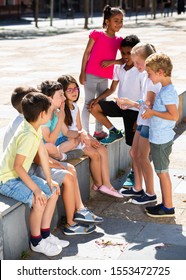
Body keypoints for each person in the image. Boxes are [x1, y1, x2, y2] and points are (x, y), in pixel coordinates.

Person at [2, 86, 102, 236]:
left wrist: (52, 175)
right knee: (60, 181)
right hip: (18, 174)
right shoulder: (25, 129)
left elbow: (41, 151)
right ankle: (63, 227)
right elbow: (26, 162)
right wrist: (39, 186)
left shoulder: (32, 124)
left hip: (27, 167)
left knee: (63, 176)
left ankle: (75, 214)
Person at [0, 93, 66, 257]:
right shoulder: (27, 135)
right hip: (8, 180)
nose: (51, 114)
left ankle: (45, 234)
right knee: (40, 199)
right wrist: (37, 190)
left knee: (54, 191)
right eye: (49, 111)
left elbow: (43, 154)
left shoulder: (33, 127)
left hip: (18, 175)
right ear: (42, 114)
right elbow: (18, 166)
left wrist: (50, 181)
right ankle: (36, 242)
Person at [89, 34, 142, 189]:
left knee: (134, 147)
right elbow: (113, 89)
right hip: (121, 107)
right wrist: (98, 98)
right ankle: (114, 132)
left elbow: (146, 97)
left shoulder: (141, 71)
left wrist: (139, 120)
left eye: (128, 53)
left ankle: (133, 173)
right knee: (93, 108)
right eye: (123, 53)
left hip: (135, 112)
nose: (125, 56)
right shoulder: (119, 68)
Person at [57, 74, 123, 198]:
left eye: (75, 88)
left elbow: (80, 128)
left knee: (101, 148)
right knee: (94, 154)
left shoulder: (75, 107)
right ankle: (98, 184)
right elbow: (67, 132)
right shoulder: (61, 110)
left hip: (78, 137)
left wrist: (90, 138)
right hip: (70, 141)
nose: (74, 92)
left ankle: (107, 184)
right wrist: (82, 136)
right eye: (69, 90)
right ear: (63, 92)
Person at [116, 43, 161, 205]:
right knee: (134, 154)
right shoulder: (144, 76)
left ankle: (150, 193)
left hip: (148, 123)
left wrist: (131, 103)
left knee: (143, 157)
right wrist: (130, 104)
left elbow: (149, 106)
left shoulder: (152, 80)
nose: (135, 66)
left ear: (148, 60)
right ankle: (137, 187)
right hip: (142, 121)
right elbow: (144, 102)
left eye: (138, 63)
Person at [79, 4, 124, 140]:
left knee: (100, 104)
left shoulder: (119, 41)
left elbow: (124, 59)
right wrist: (82, 72)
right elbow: (86, 53)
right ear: (107, 21)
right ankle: (85, 132)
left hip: (105, 77)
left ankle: (98, 131)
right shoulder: (97, 34)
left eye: (121, 21)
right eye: (116, 20)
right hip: (91, 75)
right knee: (88, 102)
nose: (119, 24)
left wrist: (112, 62)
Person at [143, 53, 179, 217]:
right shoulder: (165, 90)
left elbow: (174, 116)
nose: (148, 76)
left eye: (150, 73)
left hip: (161, 139)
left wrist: (152, 113)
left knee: (162, 172)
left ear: (161, 72)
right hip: (159, 137)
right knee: (160, 171)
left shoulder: (168, 92)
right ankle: (166, 204)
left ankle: (168, 207)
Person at [40, 80, 84, 161]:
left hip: (60, 141)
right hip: (49, 145)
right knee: (50, 148)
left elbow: (66, 132)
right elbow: (50, 141)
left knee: (75, 140)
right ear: (50, 99)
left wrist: (81, 134)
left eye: (63, 94)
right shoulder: (44, 117)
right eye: (61, 95)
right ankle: (61, 156)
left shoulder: (57, 111)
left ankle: (60, 155)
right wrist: (60, 119)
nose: (64, 98)